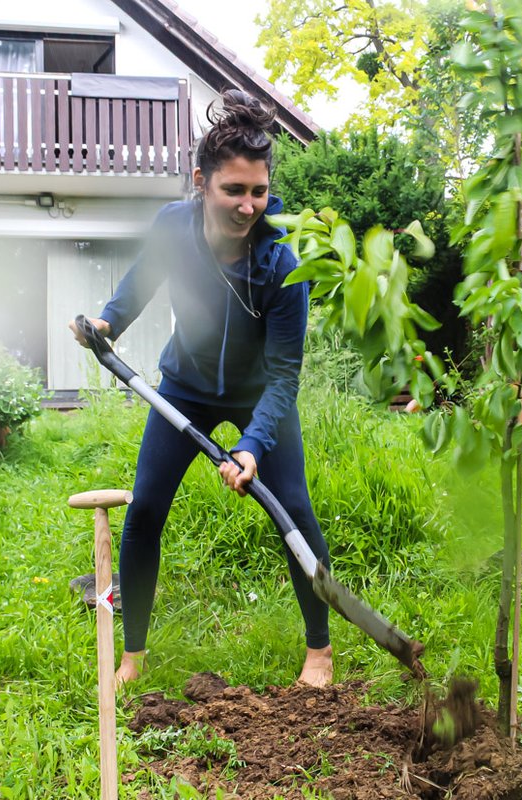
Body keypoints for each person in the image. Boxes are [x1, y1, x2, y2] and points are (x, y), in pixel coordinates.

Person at [69, 89, 333, 688]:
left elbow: (285, 373)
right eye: (233, 190)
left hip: (259, 396)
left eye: (258, 192)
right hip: (183, 389)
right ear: (200, 182)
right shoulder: (174, 226)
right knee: (144, 514)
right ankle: (132, 655)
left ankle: (319, 650)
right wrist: (109, 322)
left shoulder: (284, 262)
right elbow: (140, 282)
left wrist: (253, 446)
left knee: (294, 510)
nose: (247, 206)